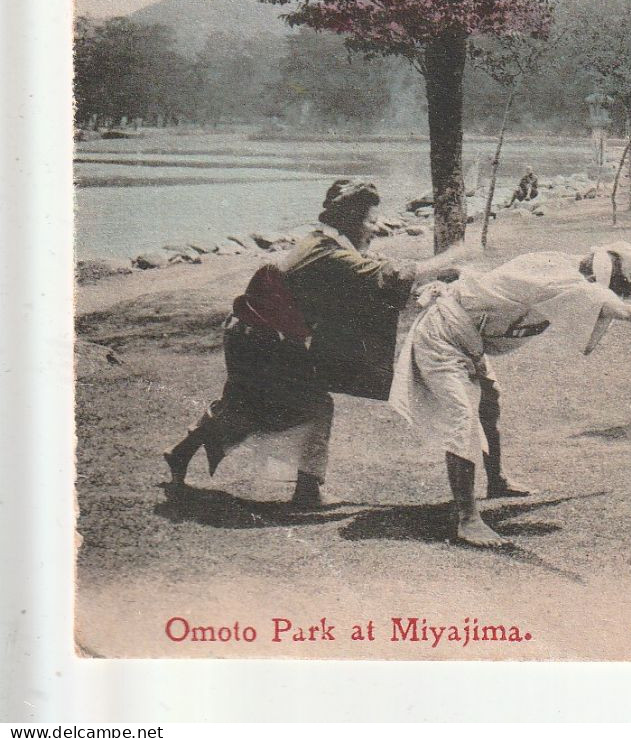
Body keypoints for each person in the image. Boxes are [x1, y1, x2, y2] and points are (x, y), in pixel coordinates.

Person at [164, 179, 465, 508]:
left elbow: (370, 273)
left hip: (257, 338)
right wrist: (450, 258)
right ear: (349, 221)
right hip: (259, 341)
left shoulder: (324, 243)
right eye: (369, 220)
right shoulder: (326, 254)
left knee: (247, 405)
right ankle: (307, 492)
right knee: (310, 405)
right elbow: (385, 275)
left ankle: (181, 453)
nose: (376, 228)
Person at [392, 244, 631, 546]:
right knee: (463, 416)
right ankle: (467, 520)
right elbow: (587, 295)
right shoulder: (550, 270)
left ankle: (496, 481)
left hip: (468, 338)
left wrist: (628, 297)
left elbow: (587, 295)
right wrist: (626, 310)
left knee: (489, 402)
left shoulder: (567, 273)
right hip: (443, 334)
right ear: (587, 272)